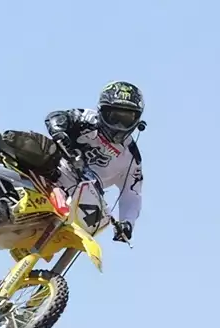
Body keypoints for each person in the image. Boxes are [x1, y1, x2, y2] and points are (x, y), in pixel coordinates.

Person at [43, 82, 144, 243]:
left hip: (80, 198)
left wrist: (127, 223)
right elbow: (57, 116)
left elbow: (131, 194)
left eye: (125, 119)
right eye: (114, 117)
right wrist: (59, 131)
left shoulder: (132, 158)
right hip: (51, 169)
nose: (118, 125)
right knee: (37, 146)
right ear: (101, 111)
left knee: (96, 220)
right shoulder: (87, 118)